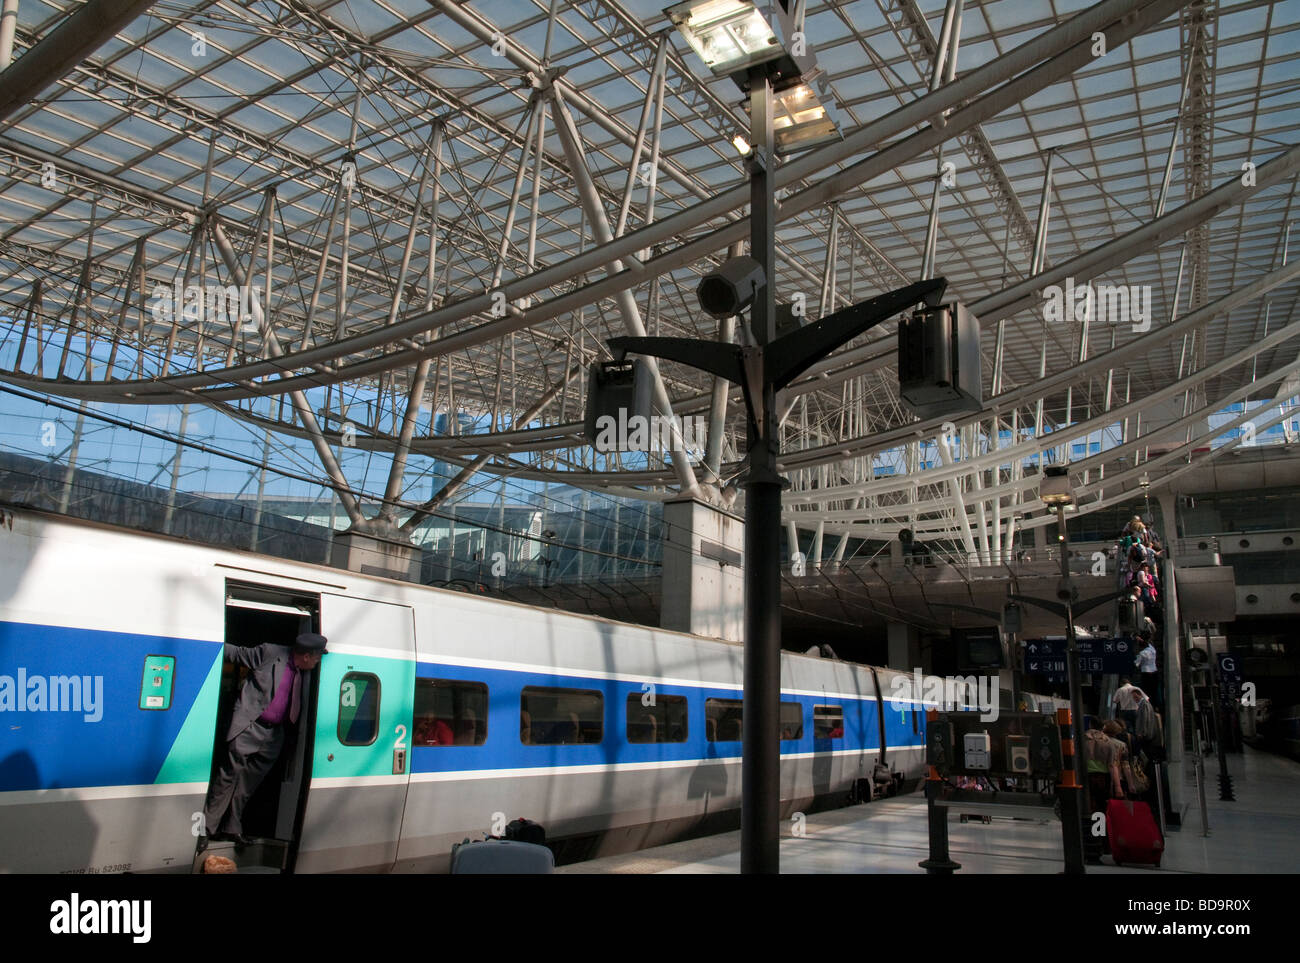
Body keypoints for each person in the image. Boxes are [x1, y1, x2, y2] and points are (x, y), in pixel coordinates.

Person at [201, 632, 327, 848]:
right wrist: (204, 641)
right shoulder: (270, 653)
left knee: (247, 786)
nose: (318, 662)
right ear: (306, 656)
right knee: (227, 779)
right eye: (317, 658)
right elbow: (234, 653)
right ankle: (205, 830)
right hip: (250, 727)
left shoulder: (303, 672)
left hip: (274, 735)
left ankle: (232, 828)